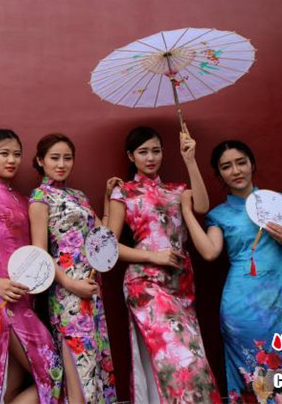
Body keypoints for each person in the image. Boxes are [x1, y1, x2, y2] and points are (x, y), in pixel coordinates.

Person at [181, 140, 282, 404]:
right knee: (255, 381)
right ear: (219, 175)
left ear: (252, 164)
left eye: (241, 162)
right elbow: (208, 252)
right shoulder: (220, 215)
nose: (236, 171)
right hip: (243, 310)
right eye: (226, 167)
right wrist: (187, 211)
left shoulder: (281, 203)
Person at [107, 125, 220, 404]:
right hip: (144, 285)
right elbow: (108, 247)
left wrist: (190, 159)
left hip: (181, 285)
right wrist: (153, 256)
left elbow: (203, 206)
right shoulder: (125, 192)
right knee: (183, 361)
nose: (150, 158)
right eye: (143, 152)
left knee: (182, 357)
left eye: (156, 151)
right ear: (130, 156)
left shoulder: (177, 190)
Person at [0, 129, 64, 404]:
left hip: (29, 300)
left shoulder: (26, 200)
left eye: (17, 154)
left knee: (8, 384)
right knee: (54, 374)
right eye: (4, 153)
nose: (11, 160)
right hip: (5, 301)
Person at [28, 133, 117, 404]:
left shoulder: (78, 195)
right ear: (40, 161)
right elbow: (40, 253)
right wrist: (70, 284)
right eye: (54, 158)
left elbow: (101, 235)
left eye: (67, 158)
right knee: (79, 367)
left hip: (91, 287)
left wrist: (106, 200)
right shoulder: (40, 197)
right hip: (67, 291)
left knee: (96, 363)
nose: (61, 163)